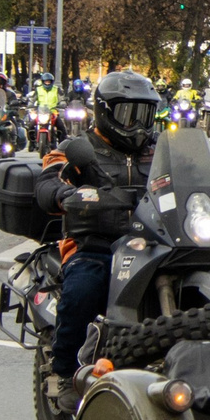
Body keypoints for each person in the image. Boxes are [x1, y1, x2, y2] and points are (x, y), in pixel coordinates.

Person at [31, 69, 164, 368]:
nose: (138, 124)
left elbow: (191, 172)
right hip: (94, 244)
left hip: (156, 242)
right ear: (105, 112)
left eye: (145, 115)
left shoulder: (160, 149)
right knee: (83, 290)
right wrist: (63, 194)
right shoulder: (76, 148)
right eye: (129, 114)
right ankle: (65, 372)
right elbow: (47, 181)